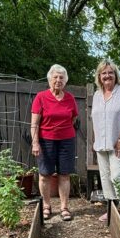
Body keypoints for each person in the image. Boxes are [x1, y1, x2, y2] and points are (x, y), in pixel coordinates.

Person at [31, 64, 79, 221]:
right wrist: (35, 142)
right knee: (45, 174)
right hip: (46, 141)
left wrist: (62, 129)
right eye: (56, 77)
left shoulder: (70, 98)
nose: (58, 80)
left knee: (64, 174)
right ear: (49, 79)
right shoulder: (41, 97)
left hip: (67, 140)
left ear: (65, 81)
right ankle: (46, 206)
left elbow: (73, 118)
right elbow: (35, 124)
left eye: (62, 77)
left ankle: (64, 208)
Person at [91, 60, 120, 222]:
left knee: (117, 176)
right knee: (105, 177)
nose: (107, 75)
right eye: (104, 73)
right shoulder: (97, 95)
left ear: (116, 75)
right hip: (101, 145)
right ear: (99, 76)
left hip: (118, 143)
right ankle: (111, 209)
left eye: (110, 72)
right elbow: (96, 119)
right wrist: (95, 141)